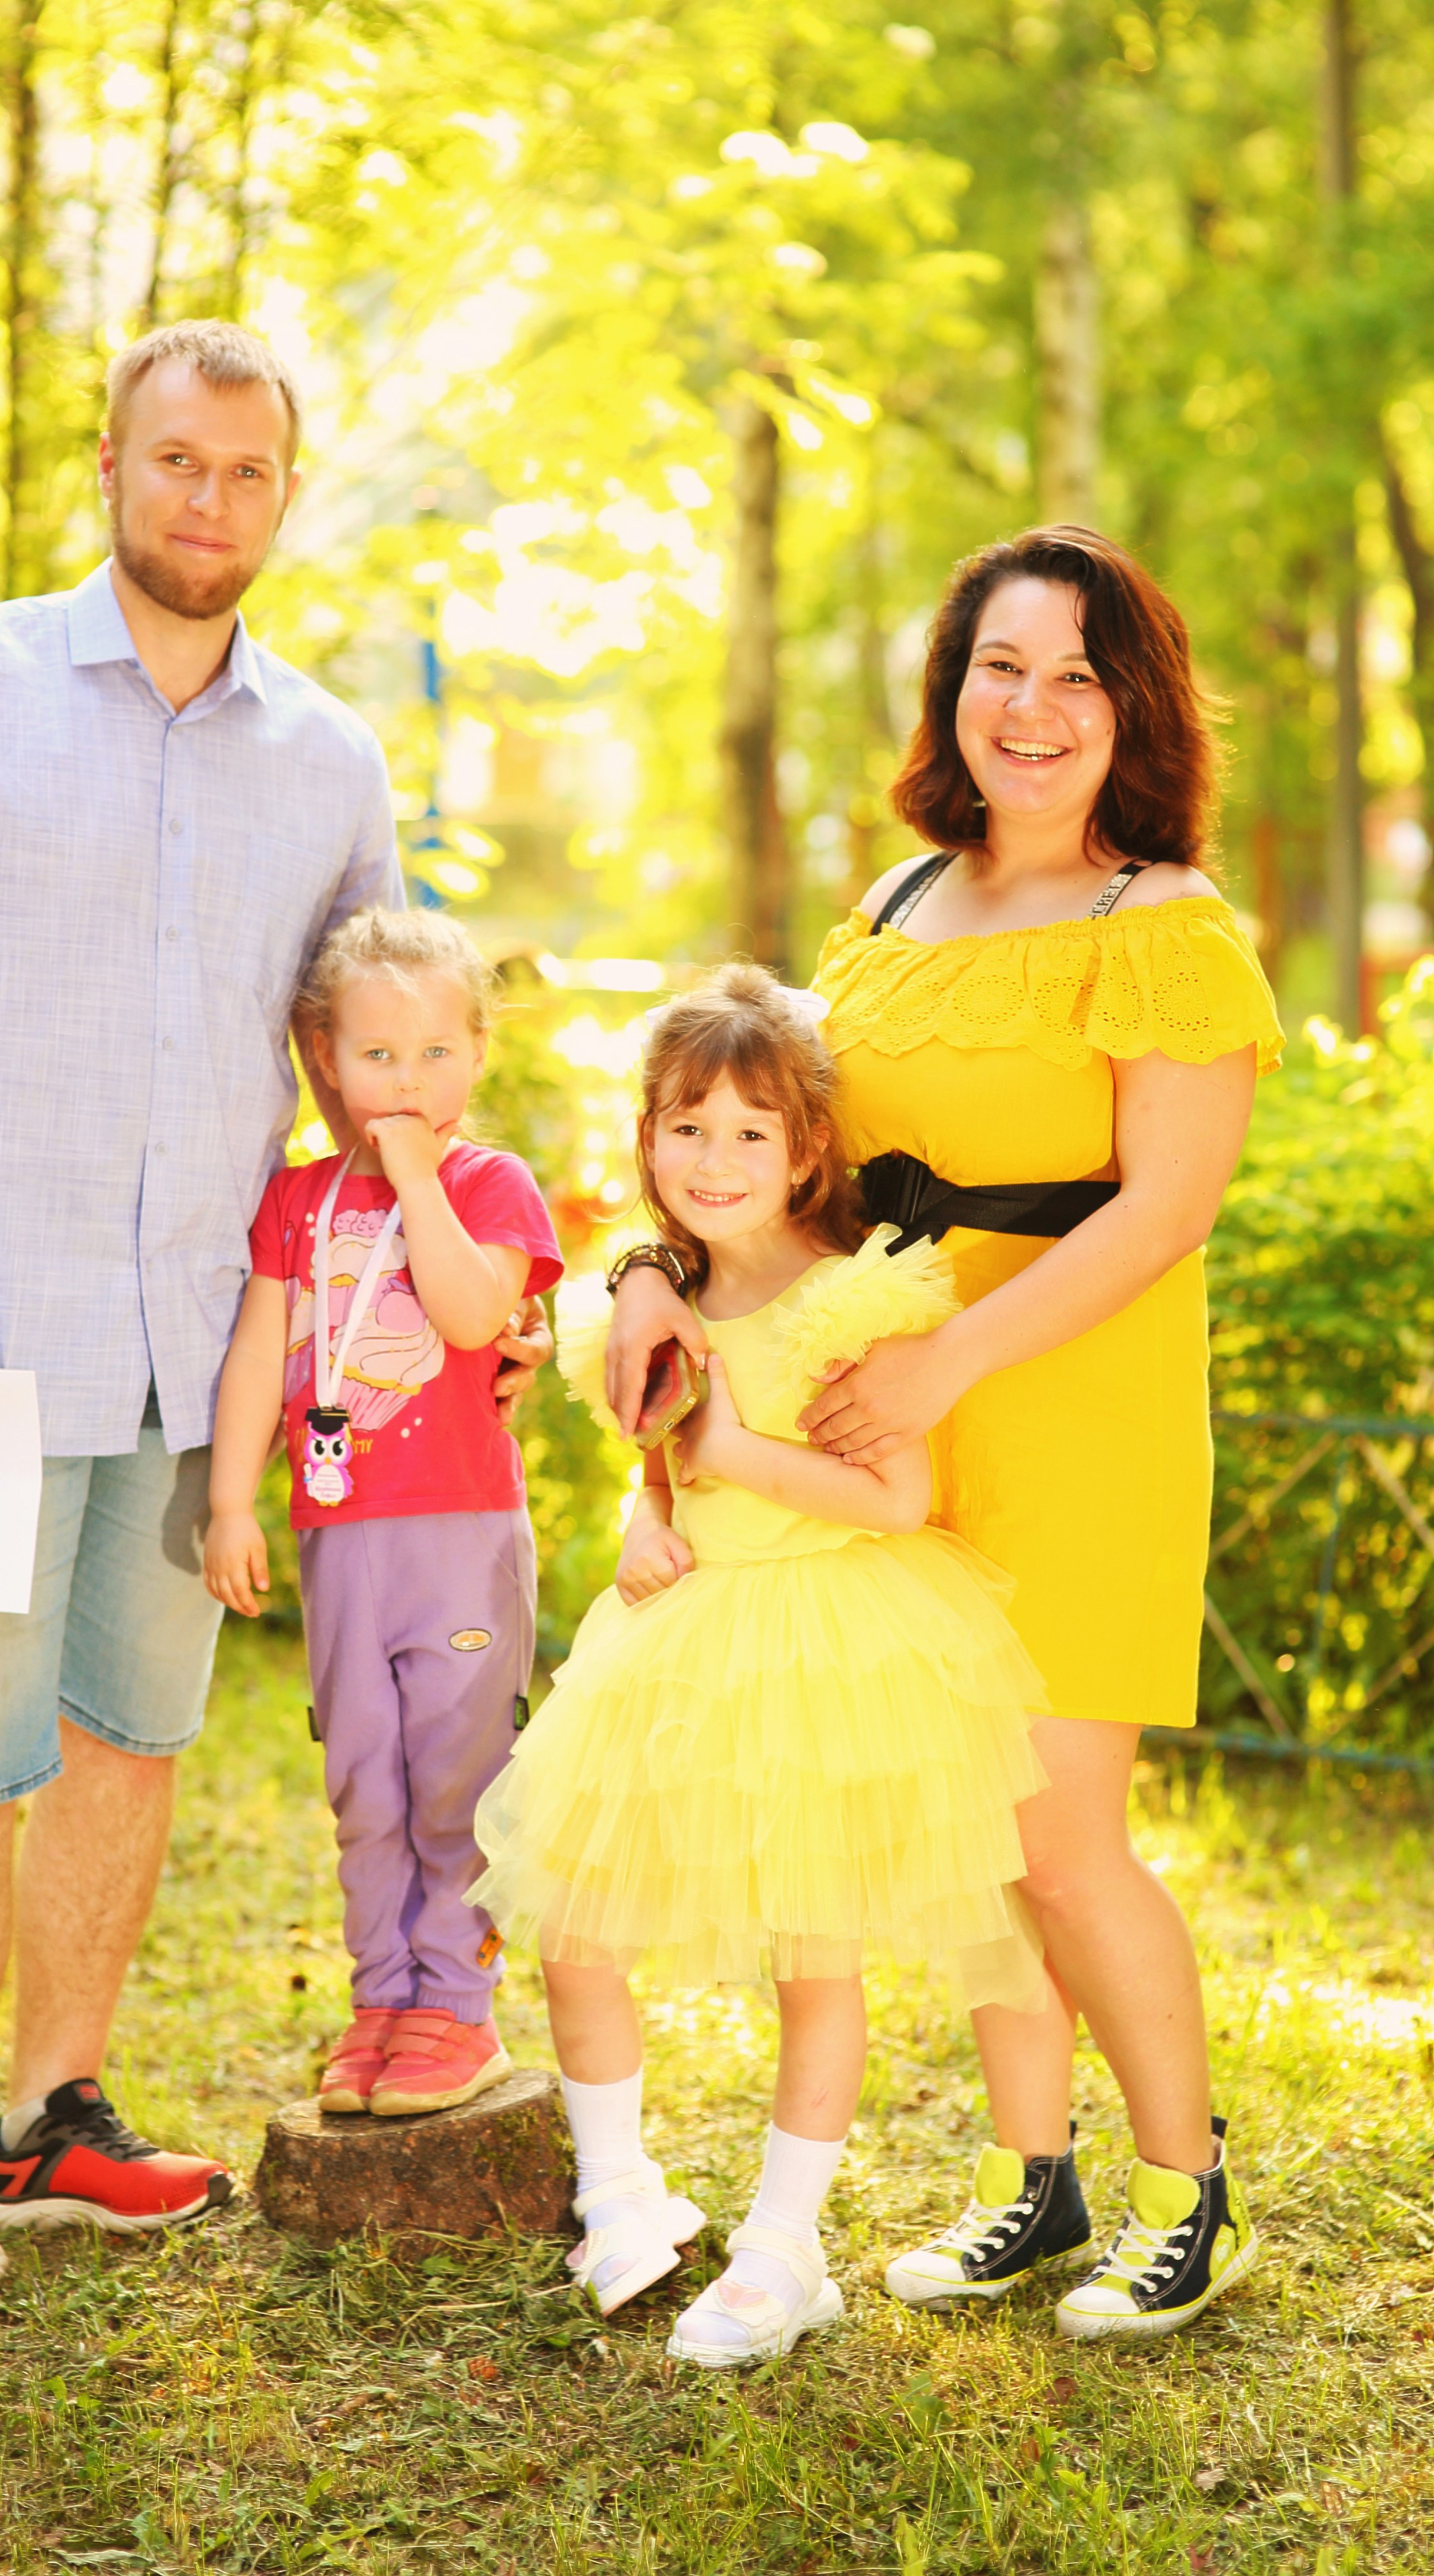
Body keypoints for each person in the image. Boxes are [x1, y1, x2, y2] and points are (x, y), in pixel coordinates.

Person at [0, 319, 548, 2352]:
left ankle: (56, 2115)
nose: (210, 500)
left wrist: (461, 1291)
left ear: (286, 493)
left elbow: (383, 1060)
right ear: (112, 468)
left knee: (134, 1737)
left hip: (210, 1343)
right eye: (177, 461)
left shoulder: (332, 760)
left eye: (247, 470)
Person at [605, 529, 1283, 2343]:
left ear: (1132, 710)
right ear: (951, 686)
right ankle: (1030, 2182)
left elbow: (1166, 1212)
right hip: (886, 1417)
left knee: (1062, 1839)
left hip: (1070, 1411)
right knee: (975, 1834)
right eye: (1002, 665)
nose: (1033, 708)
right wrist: (644, 1272)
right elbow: (769, 1156)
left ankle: (1188, 2194)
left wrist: (949, 1364)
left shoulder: (1164, 926)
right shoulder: (894, 909)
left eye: (1078, 676)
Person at [469, 967, 1049, 2369]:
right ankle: (619, 2193)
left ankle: (785, 2246)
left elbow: (895, 1499)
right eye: (686, 1128)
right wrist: (645, 1515)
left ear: (806, 1152)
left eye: (749, 1132)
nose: (714, 1159)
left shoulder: (852, 1300)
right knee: (576, 1920)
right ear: (647, 1140)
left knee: (812, 1950)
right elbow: (659, 1459)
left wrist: (726, 1451)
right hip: (679, 1636)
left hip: (823, 1637)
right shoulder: (652, 1300)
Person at [203, 907, 562, 2116]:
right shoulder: (296, 1199)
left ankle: (458, 2007)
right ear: (326, 1055)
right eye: (377, 1056)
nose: (408, 1081)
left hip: (459, 1533)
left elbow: (470, 1315)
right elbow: (259, 1356)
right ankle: (381, 2001)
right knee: (365, 1778)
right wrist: (231, 1503)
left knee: (458, 1770)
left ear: (480, 1050)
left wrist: (415, 1180)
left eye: (436, 1053)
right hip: (338, 1535)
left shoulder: (489, 1185)